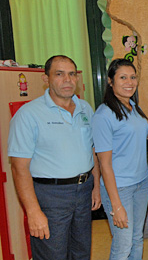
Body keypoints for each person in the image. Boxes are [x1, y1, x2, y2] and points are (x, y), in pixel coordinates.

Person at [8, 55, 101, 259]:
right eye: (59, 74)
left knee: (81, 252)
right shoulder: (28, 115)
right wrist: (33, 211)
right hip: (51, 196)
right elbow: (18, 168)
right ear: (46, 78)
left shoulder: (86, 109)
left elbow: (91, 150)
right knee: (53, 254)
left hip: (84, 190)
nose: (67, 80)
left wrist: (95, 187)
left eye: (71, 74)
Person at [92, 59, 148, 259]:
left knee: (136, 238)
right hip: (120, 188)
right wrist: (116, 206)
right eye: (122, 77)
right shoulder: (104, 115)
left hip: (142, 182)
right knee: (123, 244)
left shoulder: (133, 107)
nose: (129, 82)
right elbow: (104, 164)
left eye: (133, 77)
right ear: (110, 81)